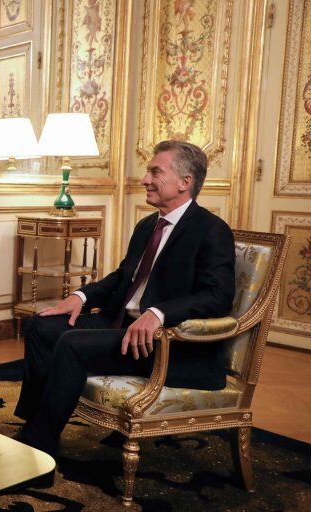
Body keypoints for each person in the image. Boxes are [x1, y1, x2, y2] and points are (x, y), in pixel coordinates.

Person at [16, 140, 235, 456]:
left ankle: (39, 447)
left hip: (166, 344)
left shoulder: (211, 230)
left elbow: (218, 296)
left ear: (185, 182)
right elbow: (122, 278)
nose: (145, 179)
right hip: (120, 324)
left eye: (155, 171)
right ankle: (34, 423)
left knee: (72, 344)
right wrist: (80, 296)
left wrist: (159, 313)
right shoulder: (148, 225)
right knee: (41, 325)